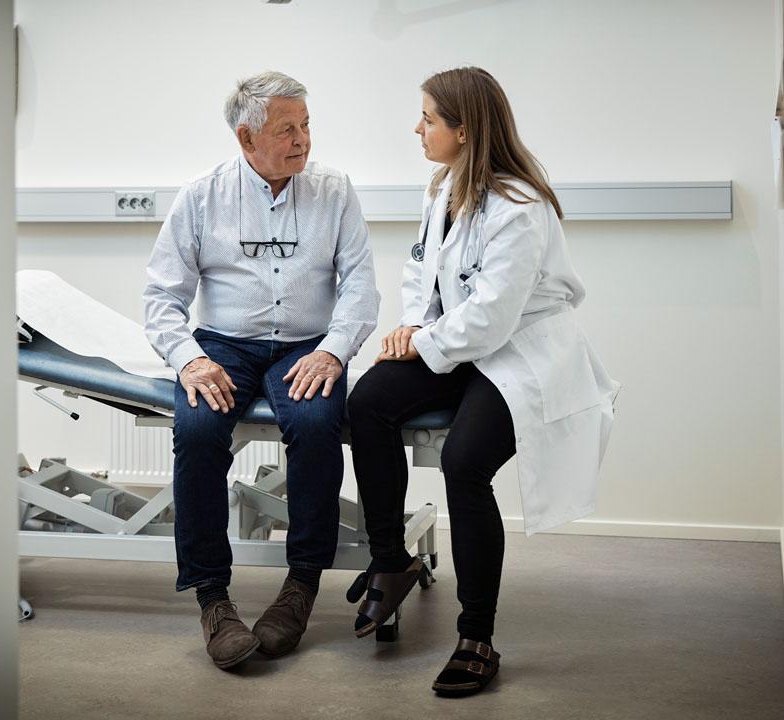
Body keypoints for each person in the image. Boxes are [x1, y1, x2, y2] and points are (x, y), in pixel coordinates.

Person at [346, 67, 619, 697]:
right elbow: (422, 271)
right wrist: (412, 324)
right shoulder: (442, 187)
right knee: (369, 402)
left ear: (464, 130)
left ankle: (476, 636)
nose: (418, 129)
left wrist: (423, 342)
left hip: (521, 353)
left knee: (465, 464)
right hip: (459, 344)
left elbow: (495, 318)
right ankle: (391, 560)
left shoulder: (519, 207)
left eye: (429, 119)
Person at [143, 71, 379, 670]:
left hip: (307, 344)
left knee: (318, 422)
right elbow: (161, 298)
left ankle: (299, 587)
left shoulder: (335, 190)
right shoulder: (202, 195)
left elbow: (359, 288)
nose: (303, 140)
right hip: (225, 343)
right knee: (196, 430)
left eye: (306, 126)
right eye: (287, 130)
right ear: (247, 139)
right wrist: (189, 360)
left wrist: (334, 350)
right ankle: (212, 599)